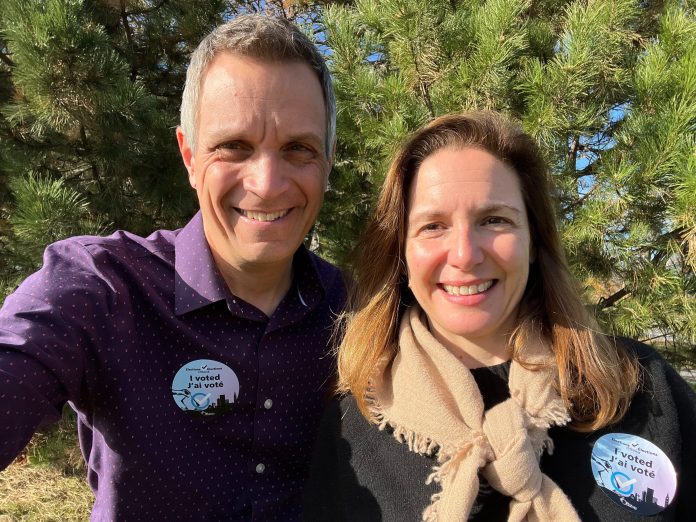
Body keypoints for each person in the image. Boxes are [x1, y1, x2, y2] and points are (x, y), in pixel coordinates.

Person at [0, 14, 345, 521]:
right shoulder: (100, 290)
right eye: (234, 147)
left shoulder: (359, 312)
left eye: (299, 148)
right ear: (188, 155)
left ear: (329, 160)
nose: (268, 183)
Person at [303, 112, 696, 521]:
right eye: (433, 226)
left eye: (494, 220)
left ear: (533, 241)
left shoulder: (642, 390)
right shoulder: (356, 424)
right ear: (401, 254)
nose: (465, 255)